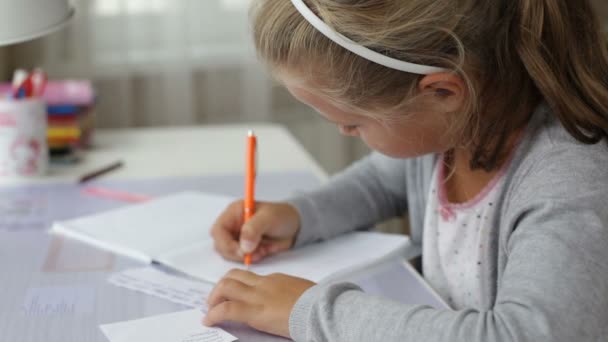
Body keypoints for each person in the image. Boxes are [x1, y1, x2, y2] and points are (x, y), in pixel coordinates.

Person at [204, 0, 608, 340]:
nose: (345, 133)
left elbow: (518, 334)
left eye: (354, 123)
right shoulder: (454, 127)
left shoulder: (569, 185)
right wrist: (300, 215)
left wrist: (308, 312)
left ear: (442, 92)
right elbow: (381, 182)